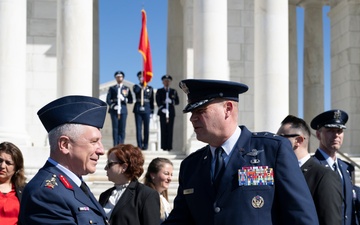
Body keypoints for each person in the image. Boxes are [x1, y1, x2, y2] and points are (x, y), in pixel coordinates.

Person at [162, 79, 319, 225]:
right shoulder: (191, 165)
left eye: (200, 111)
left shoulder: (272, 150)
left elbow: (301, 217)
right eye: (191, 112)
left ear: (228, 109)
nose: (192, 119)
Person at [19, 95, 109, 225]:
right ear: (65, 145)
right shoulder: (45, 194)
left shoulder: (74, 184)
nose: (101, 150)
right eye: (94, 142)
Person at [277, 115, 342, 225]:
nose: (277, 142)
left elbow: (330, 220)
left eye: (281, 138)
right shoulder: (283, 172)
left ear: (298, 140)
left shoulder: (324, 176)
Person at [311, 109, 356, 225]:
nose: (336, 135)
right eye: (330, 130)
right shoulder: (311, 167)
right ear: (318, 134)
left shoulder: (347, 168)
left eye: (339, 131)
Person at [98, 144, 160, 225]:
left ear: (124, 167)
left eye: (110, 164)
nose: (105, 168)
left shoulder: (146, 195)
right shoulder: (104, 195)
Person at [0, 142, 26, 225]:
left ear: (17, 168)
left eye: (8, 163)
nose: (2, 166)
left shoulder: (25, 190)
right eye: (0, 161)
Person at [106, 70, 133, 146]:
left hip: (123, 109)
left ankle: (121, 144)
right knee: (115, 128)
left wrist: (124, 99)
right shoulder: (112, 88)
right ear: (115, 78)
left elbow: (130, 100)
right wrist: (113, 105)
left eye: (120, 77)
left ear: (123, 78)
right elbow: (108, 99)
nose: (119, 78)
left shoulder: (126, 89)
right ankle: (115, 144)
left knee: (122, 128)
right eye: (117, 77)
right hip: (114, 109)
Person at [144, 157, 174, 223]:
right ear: (153, 175)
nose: (170, 178)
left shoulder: (164, 200)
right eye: (166, 173)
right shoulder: (146, 198)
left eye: (171, 175)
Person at [156, 75, 180, 151]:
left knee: (170, 129)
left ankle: (169, 147)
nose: (167, 82)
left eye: (168, 81)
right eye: (165, 81)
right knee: (163, 129)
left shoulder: (173, 91)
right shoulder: (159, 91)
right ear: (163, 82)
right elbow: (158, 100)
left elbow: (177, 101)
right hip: (163, 112)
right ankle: (163, 146)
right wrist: (161, 108)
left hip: (171, 112)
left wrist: (171, 101)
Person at [133, 71, 154, 150]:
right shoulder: (136, 86)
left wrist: (151, 111)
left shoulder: (150, 88)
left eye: (143, 77)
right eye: (140, 77)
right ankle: (139, 145)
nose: (142, 78)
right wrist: (142, 86)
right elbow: (136, 92)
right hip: (138, 108)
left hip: (147, 108)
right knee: (138, 128)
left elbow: (151, 100)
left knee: (146, 128)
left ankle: (145, 145)